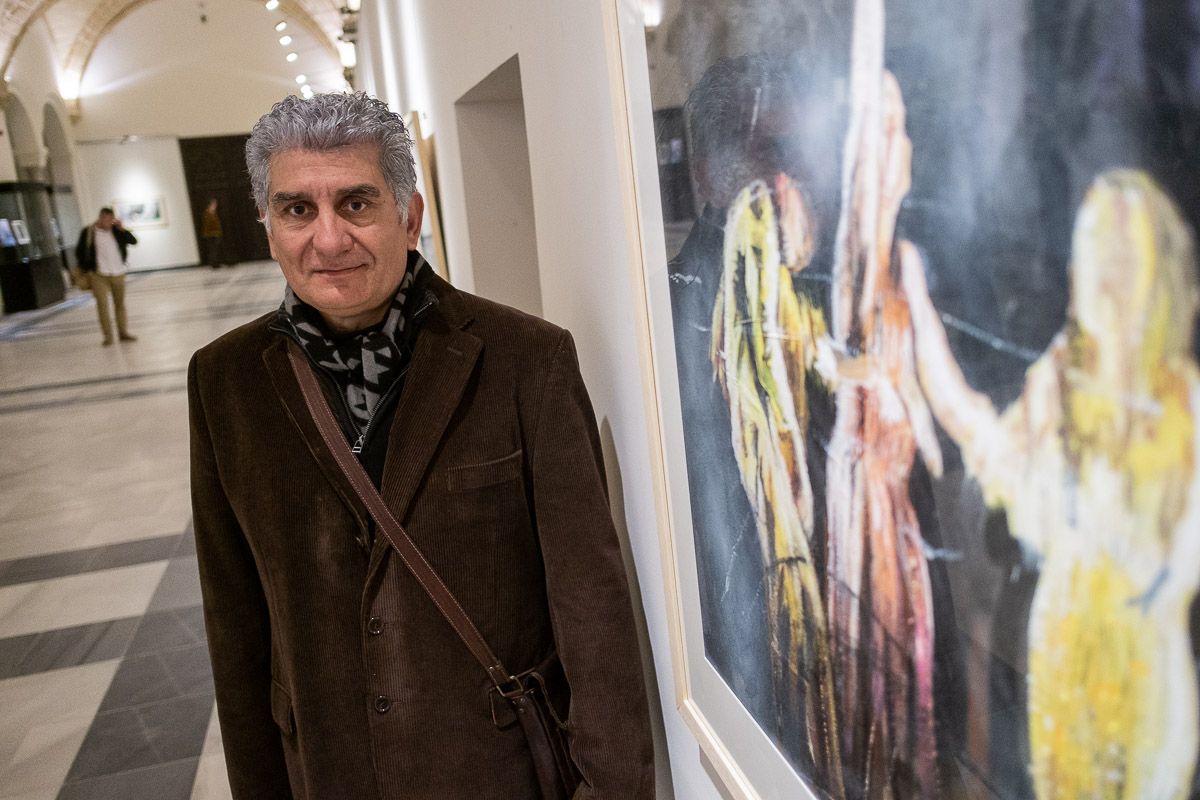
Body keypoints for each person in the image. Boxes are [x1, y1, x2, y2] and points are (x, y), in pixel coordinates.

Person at [188, 92, 655, 799]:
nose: (329, 239)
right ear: (268, 226)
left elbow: (591, 605)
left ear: (408, 217)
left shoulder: (524, 359)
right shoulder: (224, 380)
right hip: (326, 769)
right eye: (297, 209)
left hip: (494, 771)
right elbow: (236, 621)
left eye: (355, 203)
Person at [76, 208, 137, 346]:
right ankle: (108, 336)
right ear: (100, 218)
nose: (109, 222)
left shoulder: (116, 230)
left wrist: (122, 229)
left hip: (118, 273)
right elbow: (80, 252)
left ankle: (123, 333)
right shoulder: (89, 232)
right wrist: (88, 269)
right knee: (102, 305)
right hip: (99, 275)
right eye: (106, 219)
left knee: (120, 304)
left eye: (111, 219)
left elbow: (133, 241)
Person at [200, 197, 225, 269]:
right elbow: (207, 225)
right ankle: (214, 264)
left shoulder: (214, 212)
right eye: (214, 203)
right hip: (210, 234)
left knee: (215, 249)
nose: (215, 205)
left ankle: (216, 263)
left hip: (216, 233)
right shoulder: (207, 213)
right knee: (213, 250)